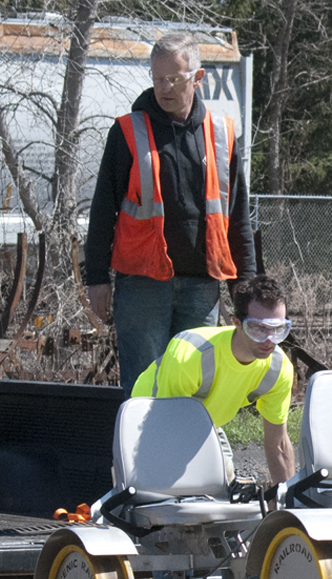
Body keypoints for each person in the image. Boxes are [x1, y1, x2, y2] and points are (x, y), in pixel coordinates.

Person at [132, 274, 295, 579]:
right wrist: (188, 502)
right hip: (149, 427)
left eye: (279, 329)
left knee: (246, 524)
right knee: (175, 528)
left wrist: (286, 505)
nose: (268, 339)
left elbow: (277, 444)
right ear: (234, 322)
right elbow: (167, 432)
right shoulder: (191, 354)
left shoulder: (277, 368)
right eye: (258, 327)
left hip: (204, 426)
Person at [85, 31, 257, 397]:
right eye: (157, 78)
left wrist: (246, 285)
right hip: (142, 285)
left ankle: (189, 457)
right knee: (143, 389)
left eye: (174, 78)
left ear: (198, 77)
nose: (164, 88)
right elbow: (102, 210)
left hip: (201, 285)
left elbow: (237, 217)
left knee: (195, 389)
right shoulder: (128, 132)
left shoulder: (222, 135)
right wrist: (96, 277)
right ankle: (141, 456)